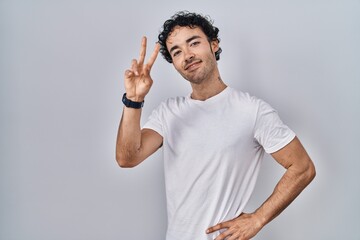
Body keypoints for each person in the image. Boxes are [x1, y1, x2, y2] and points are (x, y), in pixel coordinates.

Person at [116, 11, 316, 240]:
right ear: (174, 64)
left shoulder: (252, 111)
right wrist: (134, 99)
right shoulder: (168, 112)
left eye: (194, 43)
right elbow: (127, 158)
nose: (187, 55)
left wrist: (258, 219)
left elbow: (303, 168)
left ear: (213, 45)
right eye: (177, 51)